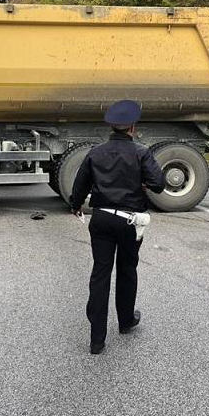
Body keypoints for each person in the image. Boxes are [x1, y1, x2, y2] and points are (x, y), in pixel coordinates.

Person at [69, 99, 165, 354]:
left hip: (101, 218)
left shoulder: (95, 152)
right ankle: (125, 321)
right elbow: (159, 184)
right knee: (127, 269)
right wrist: (142, 183)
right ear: (132, 127)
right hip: (130, 221)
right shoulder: (142, 152)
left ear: (111, 127)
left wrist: (75, 205)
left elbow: (80, 184)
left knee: (100, 274)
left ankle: (97, 339)